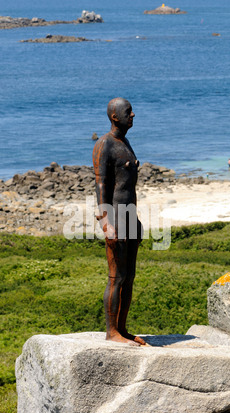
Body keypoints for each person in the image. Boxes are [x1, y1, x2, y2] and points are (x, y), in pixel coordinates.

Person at [92, 98, 148, 346]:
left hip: (129, 216)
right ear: (115, 116)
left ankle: (122, 329)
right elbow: (101, 183)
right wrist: (106, 222)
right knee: (116, 277)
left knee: (129, 276)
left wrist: (136, 221)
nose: (133, 114)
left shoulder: (125, 142)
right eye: (128, 112)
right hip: (115, 216)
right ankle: (111, 331)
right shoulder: (104, 144)